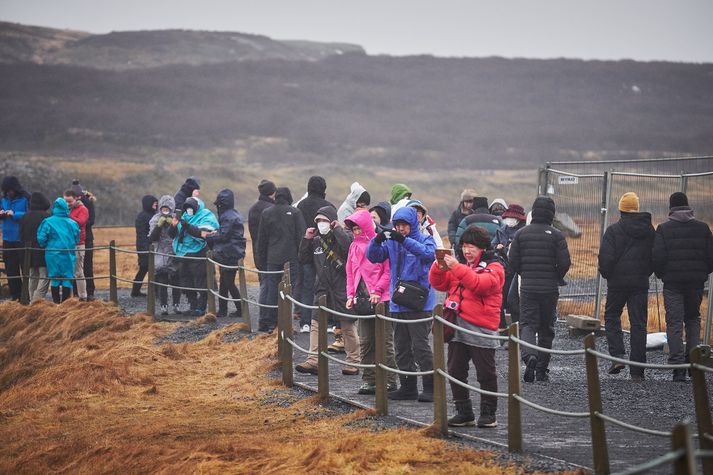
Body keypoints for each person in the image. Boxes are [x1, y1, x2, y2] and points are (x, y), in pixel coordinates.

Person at [429, 225, 504, 428]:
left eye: (471, 247)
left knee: (486, 374)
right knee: (455, 370)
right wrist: (439, 265)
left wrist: (456, 267)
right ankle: (464, 412)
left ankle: (489, 414)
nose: (466, 251)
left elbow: (479, 285)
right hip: (457, 326)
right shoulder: (462, 266)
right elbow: (439, 284)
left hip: (481, 328)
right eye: (464, 247)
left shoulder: (495, 267)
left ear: (482, 248)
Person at [367, 206, 436, 402]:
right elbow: (373, 256)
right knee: (402, 347)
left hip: (420, 304)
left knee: (420, 347)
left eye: (404, 225)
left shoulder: (424, 239)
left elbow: (429, 255)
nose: (400, 229)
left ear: (412, 224)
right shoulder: (392, 242)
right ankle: (408, 387)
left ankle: (431, 387)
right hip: (398, 303)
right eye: (397, 226)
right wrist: (378, 239)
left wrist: (404, 241)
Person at [508, 196, 571, 383]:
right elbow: (565, 262)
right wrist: (556, 275)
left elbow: (513, 262)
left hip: (528, 287)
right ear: (551, 214)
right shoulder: (557, 235)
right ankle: (542, 370)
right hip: (550, 289)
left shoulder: (521, 234)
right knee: (546, 328)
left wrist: (524, 273)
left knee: (527, 324)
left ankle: (530, 357)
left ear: (533, 212)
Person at [653, 192, 713, 382]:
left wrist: (663, 274)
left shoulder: (663, 229)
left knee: (674, 322)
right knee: (693, 319)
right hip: (695, 283)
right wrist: (702, 273)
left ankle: (678, 367)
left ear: (671, 208)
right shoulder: (703, 229)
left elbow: (658, 257)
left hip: (672, 284)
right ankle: (694, 364)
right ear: (688, 206)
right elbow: (711, 257)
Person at [295, 206, 360, 375]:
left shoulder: (343, 237)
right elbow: (303, 259)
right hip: (322, 289)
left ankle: (353, 362)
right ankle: (313, 360)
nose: (320, 224)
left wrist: (338, 230)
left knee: (347, 325)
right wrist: (306, 239)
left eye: (324, 220)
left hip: (342, 288)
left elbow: (348, 249)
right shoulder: (316, 241)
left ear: (332, 221)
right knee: (316, 324)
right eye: (318, 221)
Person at [598, 192, 655, 380]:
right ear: (636, 208)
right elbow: (655, 256)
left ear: (621, 209)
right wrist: (645, 273)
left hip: (617, 283)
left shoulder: (613, 231)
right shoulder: (649, 231)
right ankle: (637, 370)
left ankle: (617, 356)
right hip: (639, 283)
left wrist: (609, 275)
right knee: (639, 323)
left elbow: (605, 259)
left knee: (612, 315)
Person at [344, 209, 399, 393]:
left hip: (381, 299)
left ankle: (391, 380)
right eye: (354, 229)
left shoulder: (380, 243)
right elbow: (350, 273)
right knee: (366, 341)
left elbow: (388, 271)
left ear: (367, 226)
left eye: (359, 228)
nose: (357, 232)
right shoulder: (353, 246)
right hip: (362, 300)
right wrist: (350, 295)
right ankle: (369, 380)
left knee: (385, 342)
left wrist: (377, 290)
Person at [255, 187, 305, 332]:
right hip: (291, 259)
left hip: (272, 258)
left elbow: (262, 239)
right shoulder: (295, 212)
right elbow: (300, 237)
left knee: (272, 290)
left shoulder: (266, 213)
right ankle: (286, 322)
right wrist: (300, 257)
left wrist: (261, 261)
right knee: (291, 289)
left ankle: (272, 323)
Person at [296, 176, 334, 332]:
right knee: (326, 286)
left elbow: (298, 230)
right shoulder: (329, 206)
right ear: (324, 189)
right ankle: (328, 322)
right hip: (325, 253)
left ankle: (306, 322)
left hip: (307, 250)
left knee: (307, 286)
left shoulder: (300, 206)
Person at [169, 197, 219, 317]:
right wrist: (173, 226)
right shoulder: (184, 217)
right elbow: (172, 235)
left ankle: (201, 308)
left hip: (200, 253)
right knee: (186, 281)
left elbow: (204, 234)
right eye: (187, 208)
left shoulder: (206, 216)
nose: (189, 210)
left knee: (202, 281)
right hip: (183, 254)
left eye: (191, 207)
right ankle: (193, 306)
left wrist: (188, 226)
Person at [205, 189, 246, 318]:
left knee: (228, 282)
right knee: (224, 281)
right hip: (233, 252)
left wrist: (210, 236)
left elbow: (224, 236)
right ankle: (223, 310)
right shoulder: (233, 214)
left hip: (229, 253)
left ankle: (241, 309)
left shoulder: (227, 216)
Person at [37, 198, 80, 303]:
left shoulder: (47, 222)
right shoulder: (73, 223)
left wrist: (46, 245)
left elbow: (41, 238)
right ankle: (65, 304)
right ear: (66, 208)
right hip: (68, 254)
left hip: (52, 254)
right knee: (67, 278)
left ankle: (56, 303)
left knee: (55, 279)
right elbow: (77, 238)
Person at [493, 204, 527, 328]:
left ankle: (516, 328)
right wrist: (496, 248)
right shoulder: (501, 230)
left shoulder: (523, 231)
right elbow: (493, 245)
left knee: (514, 302)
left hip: (517, 271)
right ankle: (502, 329)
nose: (509, 220)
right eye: (508, 217)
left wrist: (506, 248)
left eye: (512, 217)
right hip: (503, 269)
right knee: (500, 301)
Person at [248, 179, 276, 325]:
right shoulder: (270, 209)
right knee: (269, 286)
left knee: (263, 285)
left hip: (257, 252)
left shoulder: (253, 209)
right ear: (273, 192)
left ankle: (263, 318)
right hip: (270, 253)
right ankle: (266, 319)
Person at [148, 195, 180, 315]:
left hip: (174, 253)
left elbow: (177, 236)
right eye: (163, 208)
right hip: (160, 254)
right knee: (162, 282)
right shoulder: (155, 219)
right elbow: (151, 238)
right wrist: (159, 226)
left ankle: (176, 305)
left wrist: (173, 225)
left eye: (167, 209)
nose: (165, 211)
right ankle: (163, 306)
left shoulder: (176, 219)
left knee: (177, 281)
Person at [1, 176, 30, 301]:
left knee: (25, 268)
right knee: (11, 269)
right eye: (7, 191)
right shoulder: (3, 199)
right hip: (7, 239)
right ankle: (15, 296)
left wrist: (15, 214)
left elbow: (29, 214)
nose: (9, 193)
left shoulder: (26, 198)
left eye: (11, 190)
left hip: (21, 239)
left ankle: (26, 295)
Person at [20, 192, 51, 302]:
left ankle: (31, 299)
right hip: (43, 251)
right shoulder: (47, 217)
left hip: (29, 252)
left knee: (32, 276)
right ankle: (36, 301)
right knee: (45, 276)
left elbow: (21, 236)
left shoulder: (24, 217)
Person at [72, 180, 97, 300]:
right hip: (77, 238)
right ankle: (78, 291)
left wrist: (76, 222)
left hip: (86, 238)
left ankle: (89, 291)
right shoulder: (71, 204)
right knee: (78, 267)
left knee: (86, 265)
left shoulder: (88, 203)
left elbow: (91, 221)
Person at [64, 189, 89, 300]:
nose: (68, 204)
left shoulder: (83, 209)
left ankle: (83, 296)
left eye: (69, 201)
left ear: (76, 199)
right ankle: (69, 297)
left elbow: (80, 222)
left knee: (78, 272)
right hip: (67, 244)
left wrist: (67, 216)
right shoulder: (65, 210)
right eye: (66, 201)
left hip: (78, 244)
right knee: (68, 272)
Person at [132, 195, 158, 297]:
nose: (156, 204)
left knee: (145, 269)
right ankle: (154, 291)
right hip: (145, 247)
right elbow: (142, 235)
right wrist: (145, 249)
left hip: (148, 246)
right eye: (154, 203)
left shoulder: (150, 215)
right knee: (146, 268)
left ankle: (136, 291)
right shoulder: (143, 216)